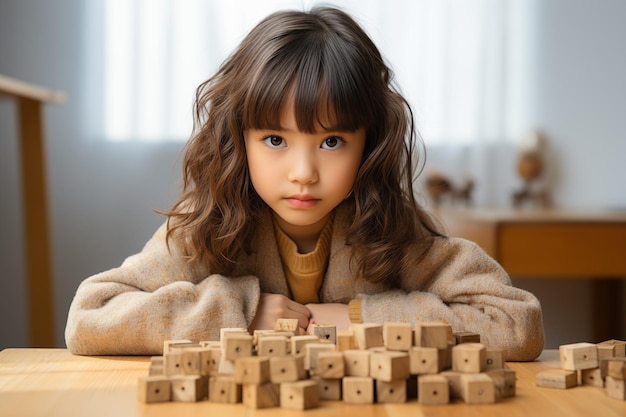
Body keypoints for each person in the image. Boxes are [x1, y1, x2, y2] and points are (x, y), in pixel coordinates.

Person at [65, 6, 544, 360]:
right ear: (240, 140)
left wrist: (360, 317)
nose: (303, 172)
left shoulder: (392, 229)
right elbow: (90, 318)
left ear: (368, 144)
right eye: (275, 139)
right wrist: (242, 313)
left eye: (332, 141)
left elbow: (515, 324)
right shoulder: (207, 226)